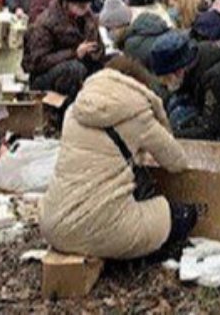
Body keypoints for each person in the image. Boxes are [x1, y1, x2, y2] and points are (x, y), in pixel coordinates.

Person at [40, 56, 196, 261]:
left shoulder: (74, 110)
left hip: (54, 226)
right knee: (184, 215)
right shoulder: (137, 115)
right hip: (102, 228)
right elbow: (177, 162)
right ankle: (142, 256)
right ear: (136, 86)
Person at [23, 0, 103, 98]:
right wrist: (74, 53)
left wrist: (95, 51)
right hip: (45, 78)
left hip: (81, 67)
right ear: (68, 2)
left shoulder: (88, 18)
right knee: (74, 69)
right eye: (81, 6)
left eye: (88, 5)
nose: (86, 10)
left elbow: (100, 50)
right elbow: (37, 62)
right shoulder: (46, 22)